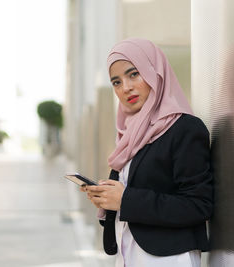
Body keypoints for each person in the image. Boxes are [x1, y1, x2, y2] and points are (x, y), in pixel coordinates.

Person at [80, 38, 213, 267]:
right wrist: (107, 199)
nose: (126, 88)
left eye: (134, 74)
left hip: (169, 258)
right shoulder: (129, 133)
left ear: (155, 72)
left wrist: (125, 199)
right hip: (128, 254)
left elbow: (198, 205)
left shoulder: (185, 129)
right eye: (116, 82)